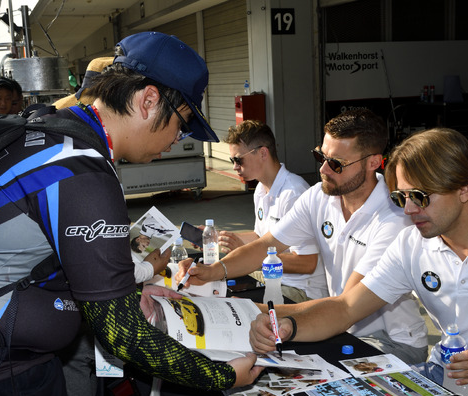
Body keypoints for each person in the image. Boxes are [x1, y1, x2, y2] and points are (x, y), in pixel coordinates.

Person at [0, 31, 262, 396]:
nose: (178, 139)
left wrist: (128, 285)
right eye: (183, 123)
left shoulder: (56, 127)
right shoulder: (82, 172)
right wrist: (222, 375)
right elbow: (121, 332)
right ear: (149, 100)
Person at [250, 127, 468, 396]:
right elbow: (347, 307)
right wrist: (287, 324)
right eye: (399, 197)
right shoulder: (413, 243)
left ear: (464, 189)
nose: (407, 210)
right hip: (437, 374)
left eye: (419, 197)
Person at [179, 108, 428, 365]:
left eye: (336, 164)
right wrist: (212, 272)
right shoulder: (320, 196)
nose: (323, 169)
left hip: (391, 341)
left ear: (373, 162)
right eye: (320, 156)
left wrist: (246, 310)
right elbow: (265, 244)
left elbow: (346, 305)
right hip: (343, 326)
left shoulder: (394, 217)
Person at [219, 120, 327, 302]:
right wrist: (218, 237)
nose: (235, 167)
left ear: (262, 153)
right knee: (218, 288)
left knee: (238, 308)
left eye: (238, 159)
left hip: (301, 290)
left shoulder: (293, 193)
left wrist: (251, 255)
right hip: (275, 280)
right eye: (233, 160)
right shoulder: (261, 190)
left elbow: (307, 263)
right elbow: (260, 237)